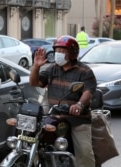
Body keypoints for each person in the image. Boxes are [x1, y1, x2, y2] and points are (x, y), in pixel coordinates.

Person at [30, 35, 97, 167]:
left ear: (72, 53)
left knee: (84, 152)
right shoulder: (52, 69)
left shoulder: (84, 71)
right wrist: (36, 66)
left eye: (62, 51)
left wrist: (79, 104)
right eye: (57, 51)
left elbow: (88, 91)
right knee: (39, 143)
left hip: (77, 119)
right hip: (54, 117)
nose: (58, 54)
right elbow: (35, 82)